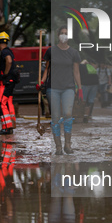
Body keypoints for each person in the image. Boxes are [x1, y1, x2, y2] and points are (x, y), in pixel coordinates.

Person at [43, 26, 82, 155]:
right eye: (62, 33)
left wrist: (79, 88)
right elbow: (46, 70)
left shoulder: (74, 53)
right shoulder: (51, 51)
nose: (64, 35)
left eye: (66, 33)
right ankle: (58, 147)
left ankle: (68, 145)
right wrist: (41, 82)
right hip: (53, 88)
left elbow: (76, 72)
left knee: (67, 114)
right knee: (55, 118)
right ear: (58, 35)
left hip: (68, 88)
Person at [0, 32, 17, 135]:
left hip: (6, 82)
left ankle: (6, 127)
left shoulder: (4, 52)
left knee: (1, 103)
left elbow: (9, 61)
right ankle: (11, 125)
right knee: (8, 103)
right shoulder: (9, 51)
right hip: (11, 81)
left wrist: (5, 74)